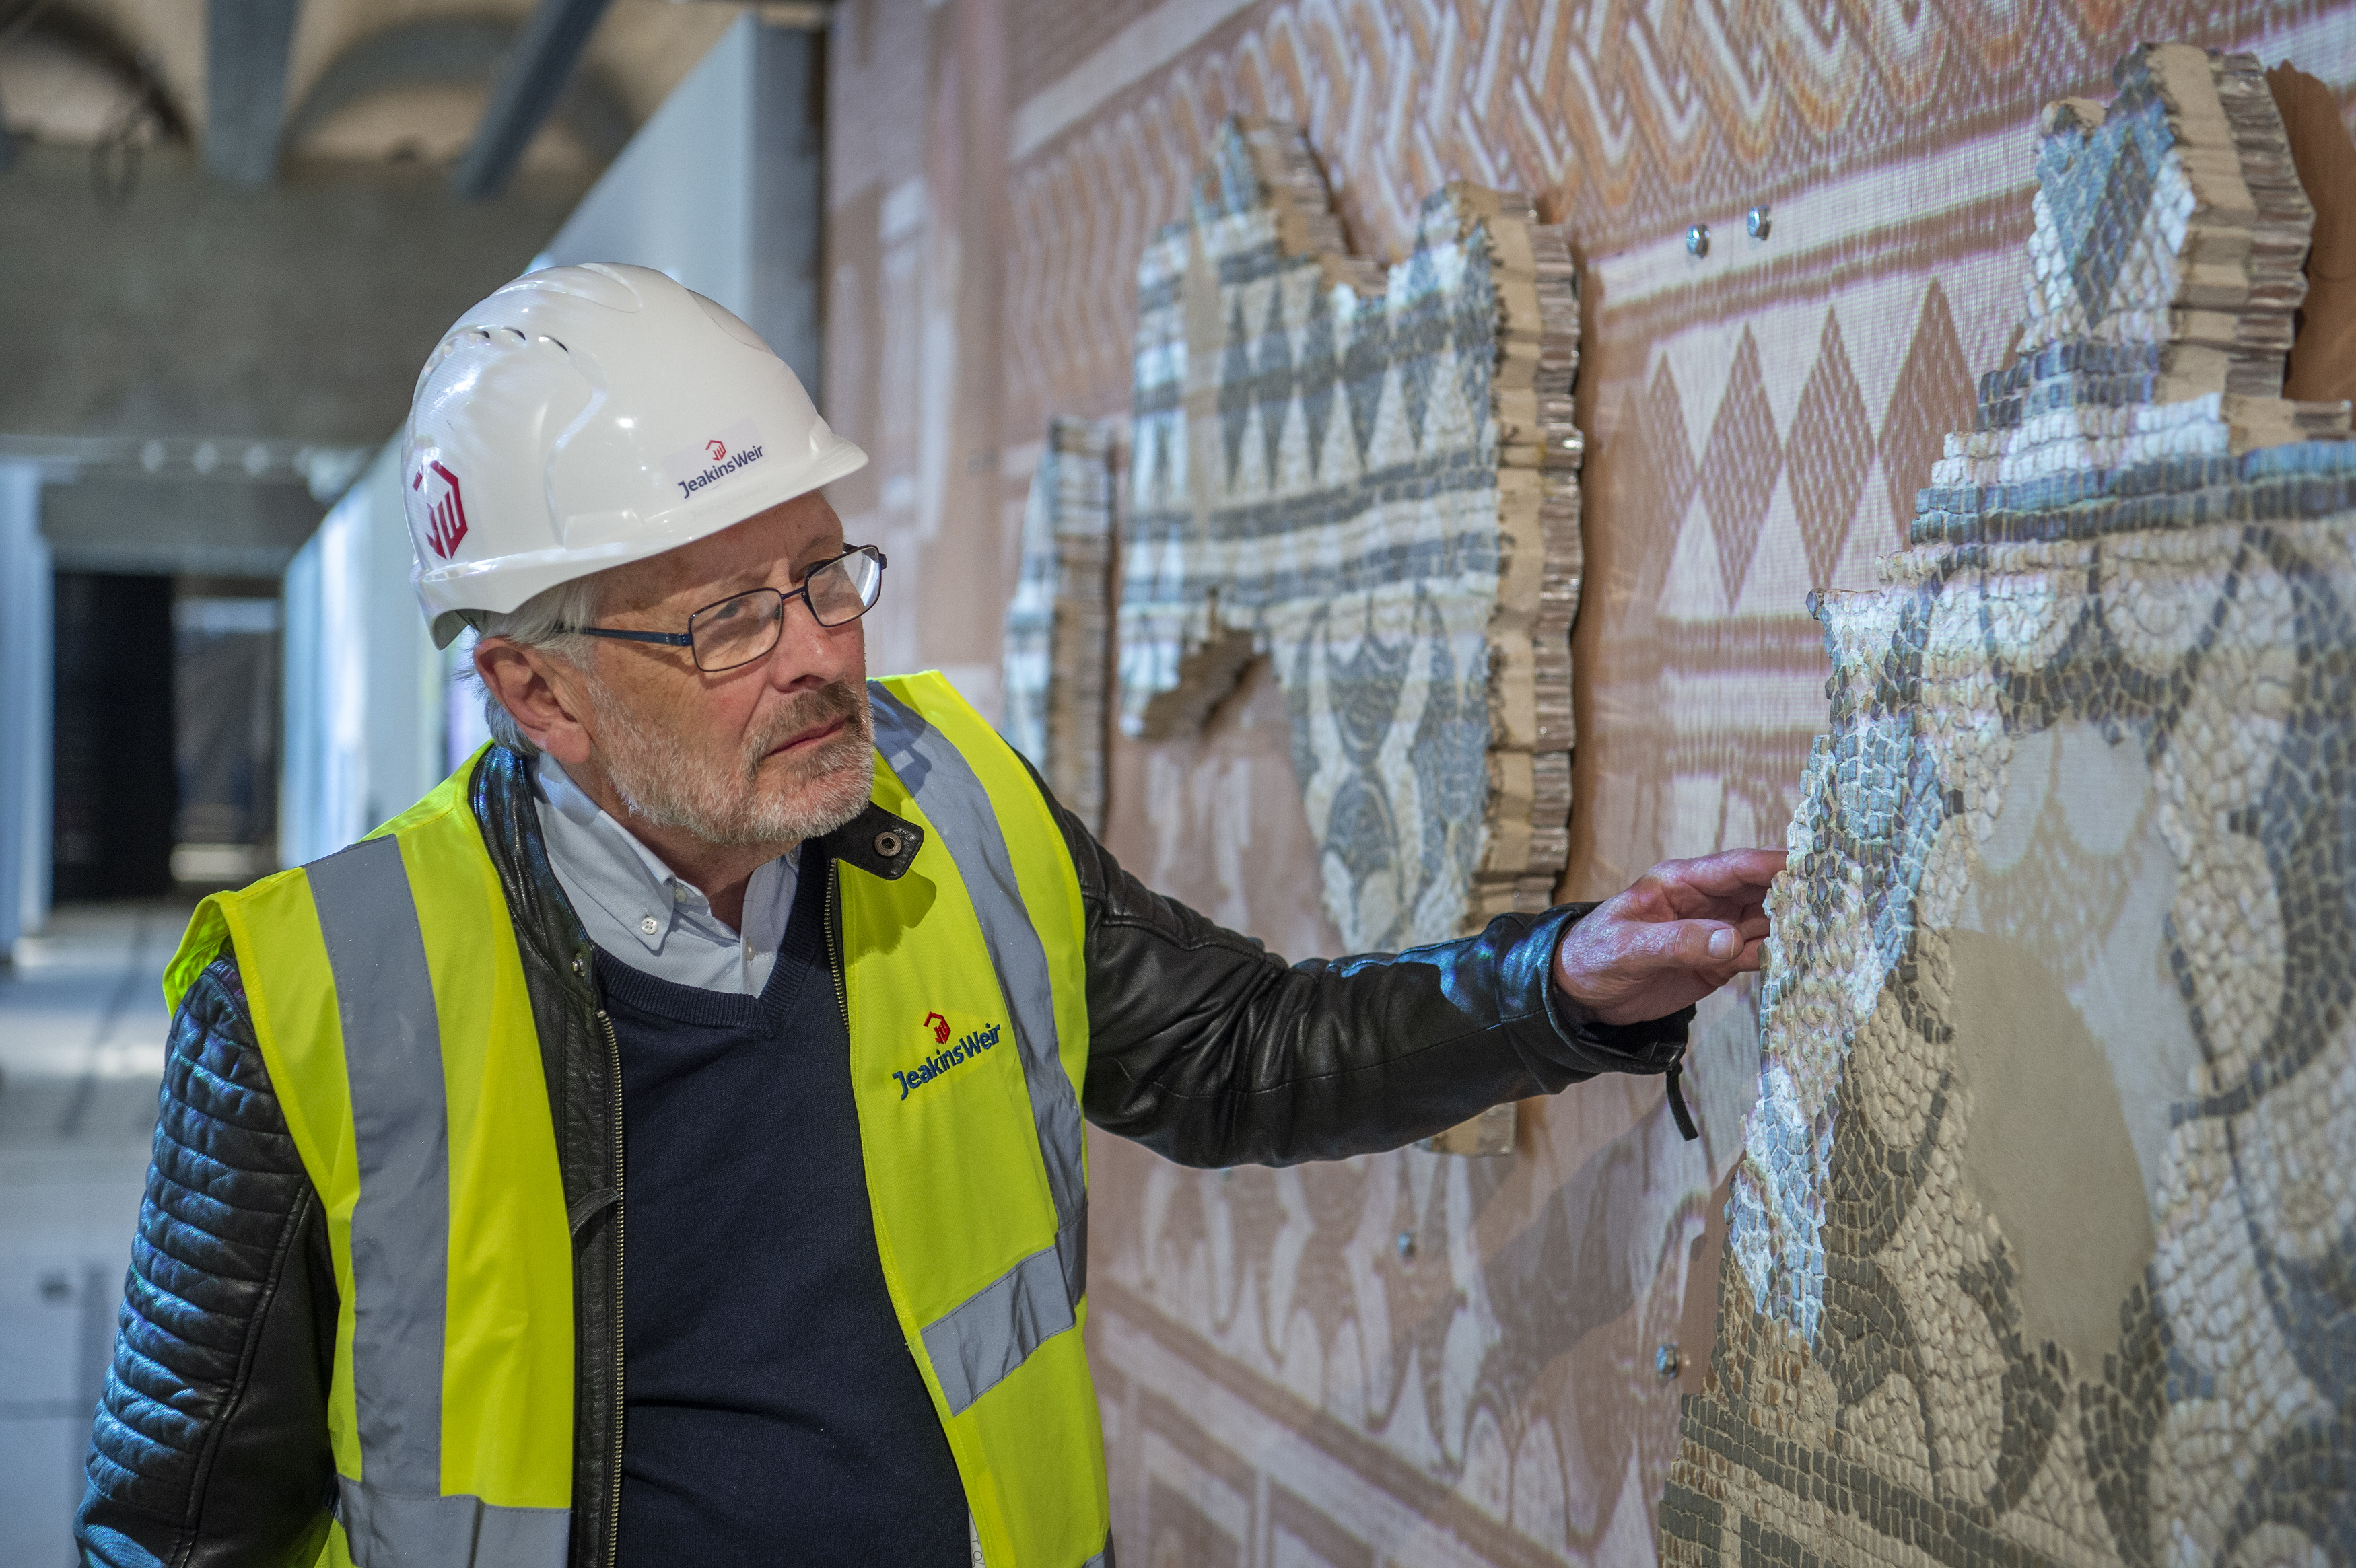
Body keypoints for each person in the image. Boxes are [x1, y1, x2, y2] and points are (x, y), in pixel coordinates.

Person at [73, 264, 1783, 1568]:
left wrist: (1559, 982)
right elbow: (181, 1531)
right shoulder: (319, 999)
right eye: (732, 618)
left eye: (824, 572)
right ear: (537, 691)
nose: (823, 649)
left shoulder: (943, 797)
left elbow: (1237, 1052)